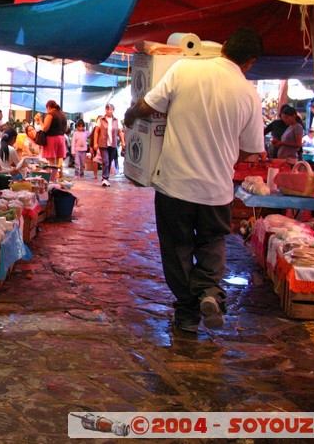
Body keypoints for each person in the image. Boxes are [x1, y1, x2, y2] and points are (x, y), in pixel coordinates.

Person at [123, 27, 265, 333]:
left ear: (225, 44)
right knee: (212, 242)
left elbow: (148, 104)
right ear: (250, 62)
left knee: (177, 249)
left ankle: (187, 314)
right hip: (217, 189)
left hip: (176, 183)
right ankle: (210, 292)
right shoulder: (249, 93)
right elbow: (251, 150)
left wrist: (131, 116)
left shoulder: (185, 68)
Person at [93, 103, 124, 187]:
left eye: (111, 109)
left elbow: (120, 132)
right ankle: (104, 178)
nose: (109, 111)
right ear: (105, 110)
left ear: (113, 110)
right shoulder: (101, 120)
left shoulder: (116, 120)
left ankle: (106, 178)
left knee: (109, 161)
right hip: (103, 143)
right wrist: (95, 143)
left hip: (113, 144)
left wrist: (123, 142)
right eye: (107, 109)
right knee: (105, 161)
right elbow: (96, 131)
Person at [39, 99, 67, 168]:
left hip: (52, 138)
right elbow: (66, 129)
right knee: (57, 161)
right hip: (61, 138)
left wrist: (39, 120)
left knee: (52, 162)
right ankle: (56, 176)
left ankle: (52, 177)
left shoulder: (50, 114)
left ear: (48, 107)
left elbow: (45, 128)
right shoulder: (63, 115)